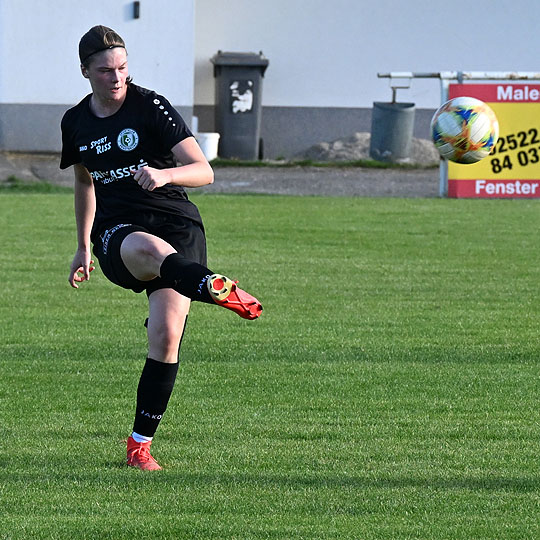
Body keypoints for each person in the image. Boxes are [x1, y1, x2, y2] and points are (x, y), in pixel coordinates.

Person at [60, 25, 262, 471]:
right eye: (106, 70)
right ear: (85, 71)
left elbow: (204, 170)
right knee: (149, 251)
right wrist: (81, 246)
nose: (117, 77)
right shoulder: (75, 122)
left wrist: (165, 174)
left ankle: (139, 446)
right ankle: (211, 286)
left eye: (122, 67)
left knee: (167, 335)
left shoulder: (150, 106)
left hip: (175, 221)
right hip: (118, 229)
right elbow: (84, 183)